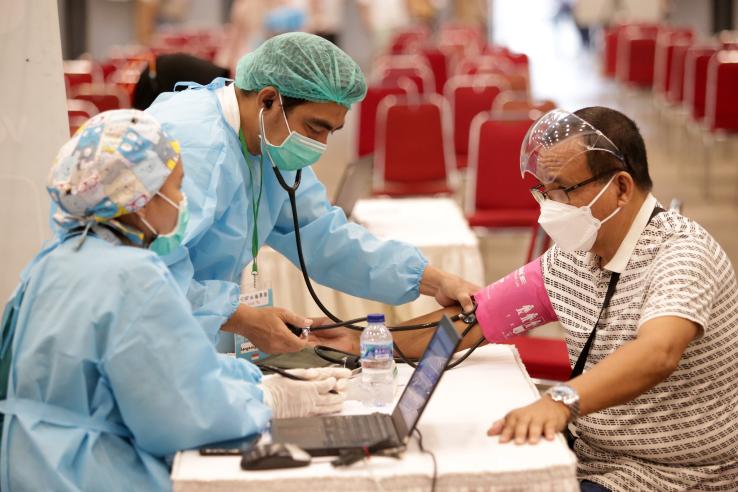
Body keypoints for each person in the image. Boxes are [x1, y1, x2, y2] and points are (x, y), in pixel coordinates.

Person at [323, 106, 738, 491]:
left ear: (622, 188)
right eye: (546, 192)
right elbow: (477, 318)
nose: (550, 207)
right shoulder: (575, 255)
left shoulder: (683, 253)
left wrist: (561, 400)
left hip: (676, 476)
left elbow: (658, 352)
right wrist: (360, 342)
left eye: (563, 192)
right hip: (592, 458)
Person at [0, 110, 350, 491]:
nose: (183, 201)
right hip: (89, 472)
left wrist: (251, 381)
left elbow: (174, 371)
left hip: (26, 463)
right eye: (178, 187)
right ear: (141, 199)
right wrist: (269, 399)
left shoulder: (55, 260)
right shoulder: (133, 277)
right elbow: (182, 414)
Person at [145, 32, 478, 355]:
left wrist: (432, 281)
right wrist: (242, 319)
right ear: (268, 99)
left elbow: (324, 237)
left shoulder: (268, 141)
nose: (320, 146)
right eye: (315, 128)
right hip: (146, 333)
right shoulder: (197, 146)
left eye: (331, 131)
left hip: (191, 333)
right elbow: (149, 272)